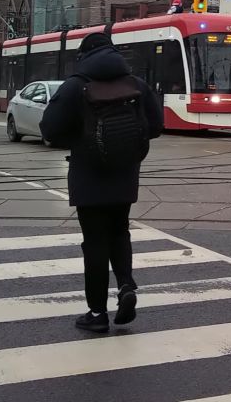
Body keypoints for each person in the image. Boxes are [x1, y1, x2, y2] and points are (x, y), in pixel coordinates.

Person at [40, 29, 163, 334]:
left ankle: (97, 313)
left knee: (94, 242)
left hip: (89, 177)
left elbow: (49, 129)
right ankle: (125, 286)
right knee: (120, 233)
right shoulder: (136, 84)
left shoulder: (76, 86)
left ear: (83, 56)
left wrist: (81, 141)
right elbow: (157, 126)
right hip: (125, 174)